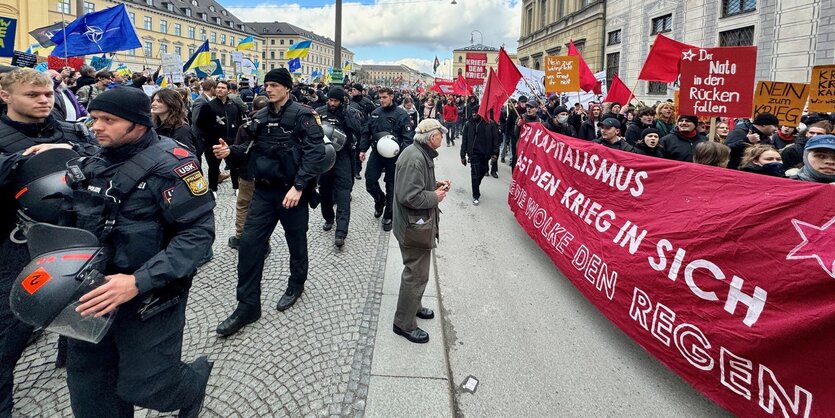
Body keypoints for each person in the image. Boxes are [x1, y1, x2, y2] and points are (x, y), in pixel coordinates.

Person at [65, 87, 215, 418]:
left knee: (149, 385)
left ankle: (194, 382)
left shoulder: (174, 164)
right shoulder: (92, 159)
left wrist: (137, 281)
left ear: (139, 123)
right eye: (94, 119)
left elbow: (198, 234)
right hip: (92, 292)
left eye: (109, 120)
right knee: (90, 389)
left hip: (150, 294)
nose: (97, 127)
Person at [0, 68, 98, 418]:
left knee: (75, 308)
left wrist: (65, 147)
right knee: (7, 335)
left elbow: (101, 157)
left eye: (48, 94)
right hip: (15, 246)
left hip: (72, 237)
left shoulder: (70, 130)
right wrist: (24, 160)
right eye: (33, 95)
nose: (44, 100)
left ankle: (67, 352)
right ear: (6, 96)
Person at [213, 68, 327, 337]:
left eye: (274, 85)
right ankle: (248, 305)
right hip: (263, 193)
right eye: (266, 84)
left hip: (292, 193)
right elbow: (247, 150)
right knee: (250, 245)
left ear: (287, 88)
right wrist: (231, 151)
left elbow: (316, 153)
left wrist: (299, 187)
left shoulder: (304, 116)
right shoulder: (259, 117)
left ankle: (296, 284)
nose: (269, 89)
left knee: (296, 242)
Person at [391, 118, 449, 344]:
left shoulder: (420, 153)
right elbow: (409, 196)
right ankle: (403, 323)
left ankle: (414, 305)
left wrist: (434, 185)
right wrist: (435, 196)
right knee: (416, 274)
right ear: (431, 137)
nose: (443, 137)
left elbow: (415, 185)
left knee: (418, 273)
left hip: (416, 224)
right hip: (413, 227)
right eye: (440, 134)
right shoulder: (415, 158)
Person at [359, 87, 415, 232]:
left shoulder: (402, 114)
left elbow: (408, 138)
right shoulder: (375, 113)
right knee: (370, 180)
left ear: (391, 97)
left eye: (384, 97)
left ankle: (388, 215)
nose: (381, 100)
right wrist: (362, 149)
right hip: (377, 153)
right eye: (380, 97)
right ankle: (379, 200)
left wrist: (403, 155)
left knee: (391, 185)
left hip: (394, 156)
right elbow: (367, 131)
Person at [316, 87, 363, 248]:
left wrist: (345, 115)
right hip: (325, 158)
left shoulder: (349, 113)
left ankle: (341, 233)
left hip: (343, 157)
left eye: (336, 101)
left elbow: (358, 129)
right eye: (330, 100)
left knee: (343, 194)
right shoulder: (320, 112)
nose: (332, 103)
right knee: (325, 192)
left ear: (342, 101)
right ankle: (329, 218)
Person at [226, 96, 270, 250]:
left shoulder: (245, 127)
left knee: (244, 205)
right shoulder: (274, 126)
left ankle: (240, 236)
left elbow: (237, 152)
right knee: (264, 208)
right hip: (268, 174)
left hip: (248, 174)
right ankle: (264, 240)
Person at [196, 80, 241, 194]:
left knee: (234, 166)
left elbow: (239, 121)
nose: (220, 89)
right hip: (214, 141)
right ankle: (213, 189)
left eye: (223, 88)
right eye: (218, 87)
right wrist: (214, 127)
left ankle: (236, 187)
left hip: (231, 141)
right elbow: (200, 123)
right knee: (213, 166)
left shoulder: (234, 105)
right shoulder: (209, 105)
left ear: (228, 90)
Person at [460, 108, 500, 205]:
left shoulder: (490, 124)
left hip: (485, 154)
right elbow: (464, 140)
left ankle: (476, 184)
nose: (474, 114)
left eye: (476, 112)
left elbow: (495, 139)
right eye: (472, 112)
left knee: (482, 172)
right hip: (473, 154)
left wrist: (495, 153)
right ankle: (476, 195)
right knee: (475, 174)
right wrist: (462, 155)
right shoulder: (468, 124)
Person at [349, 83, 375, 179]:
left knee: (359, 150)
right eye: (352, 90)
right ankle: (350, 169)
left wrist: (367, 126)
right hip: (351, 129)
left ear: (359, 91)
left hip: (361, 130)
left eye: (354, 90)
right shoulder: (349, 101)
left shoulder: (367, 102)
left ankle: (357, 170)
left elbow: (373, 115)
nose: (352, 91)